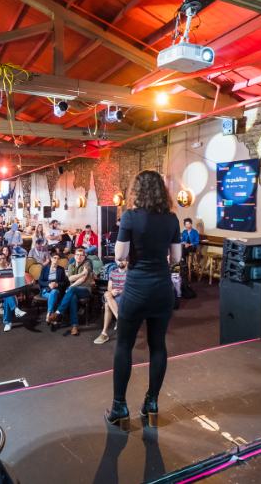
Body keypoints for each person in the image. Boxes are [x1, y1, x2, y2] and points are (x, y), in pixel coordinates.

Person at [104, 170, 181, 431]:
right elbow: (177, 258)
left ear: (137, 191)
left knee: (124, 345)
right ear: (162, 191)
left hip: (137, 289)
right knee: (158, 345)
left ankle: (119, 407)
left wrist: (130, 256)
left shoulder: (130, 217)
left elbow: (120, 255)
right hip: (162, 288)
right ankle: (152, 403)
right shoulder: (172, 219)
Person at [46, 246, 94, 336]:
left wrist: (72, 286)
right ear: (74, 256)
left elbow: (83, 280)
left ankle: (58, 312)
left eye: (81, 255)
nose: (79, 257)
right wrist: (82, 273)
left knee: (71, 290)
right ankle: (74, 326)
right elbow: (70, 278)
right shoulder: (71, 265)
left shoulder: (87, 263)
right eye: (77, 255)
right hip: (74, 291)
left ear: (84, 256)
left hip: (85, 290)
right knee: (73, 298)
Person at [94, 260, 127, 344]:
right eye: (119, 260)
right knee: (107, 294)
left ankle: (104, 333)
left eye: (123, 259)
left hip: (125, 296)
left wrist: (121, 291)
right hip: (113, 295)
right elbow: (109, 287)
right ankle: (120, 320)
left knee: (107, 303)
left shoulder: (131, 273)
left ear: (127, 261)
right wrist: (112, 291)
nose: (121, 261)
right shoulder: (113, 272)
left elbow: (133, 289)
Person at [0, 251, 27, 332]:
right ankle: (16, 310)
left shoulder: (11, 270)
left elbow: (17, 281)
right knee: (7, 293)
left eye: (3, 258)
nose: (2, 260)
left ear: (6, 259)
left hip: (11, 291)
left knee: (8, 294)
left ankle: (8, 322)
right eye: (0, 259)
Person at [38, 250, 69, 320]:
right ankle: (52, 315)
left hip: (56, 290)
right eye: (54, 258)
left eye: (58, 258)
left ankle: (49, 313)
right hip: (46, 290)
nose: (56, 260)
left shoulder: (61, 269)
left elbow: (64, 282)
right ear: (51, 259)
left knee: (54, 292)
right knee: (53, 295)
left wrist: (57, 284)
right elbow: (40, 281)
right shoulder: (45, 268)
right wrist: (49, 284)